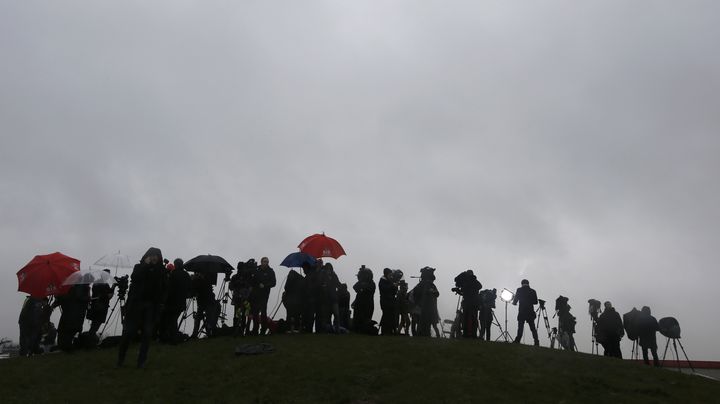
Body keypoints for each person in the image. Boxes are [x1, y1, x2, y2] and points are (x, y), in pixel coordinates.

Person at [117, 247, 168, 368]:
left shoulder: (161, 270)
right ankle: (120, 360)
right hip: (136, 305)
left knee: (147, 334)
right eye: (152, 255)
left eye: (157, 255)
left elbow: (164, 288)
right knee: (128, 332)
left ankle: (141, 362)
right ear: (148, 256)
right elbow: (135, 278)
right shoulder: (139, 267)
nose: (155, 257)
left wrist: (161, 302)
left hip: (151, 306)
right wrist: (145, 265)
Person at [160, 259, 192, 343]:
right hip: (181, 302)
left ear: (176, 265)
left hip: (172, 302)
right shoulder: (186, 274)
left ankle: (172, 339)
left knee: (171, 320)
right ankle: (173, 337)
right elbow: (190, 287)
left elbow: (169, 289)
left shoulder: (173, 274)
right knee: (173, 320)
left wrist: (164, 301)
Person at [54, 282, 90, 351]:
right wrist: (88, 297)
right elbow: (80, 298)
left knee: (67, 331)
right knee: (69, 330)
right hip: (75, 314)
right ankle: (67, 347)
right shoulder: (81, 288)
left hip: (70, 314)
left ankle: (65, 346)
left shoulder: (74, 288)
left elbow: (65, 298)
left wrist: (58, 299)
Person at [249, 257, 276, 335]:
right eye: (264, 261)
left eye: (267, 262)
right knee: (255, 313)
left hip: (264, 295)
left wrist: (265, 285)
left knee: (263, 312)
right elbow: (252, 281)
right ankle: (255, 330)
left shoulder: (271, 271)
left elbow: (273, 283)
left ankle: (263, 330)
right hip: (255, 295)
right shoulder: (256, 270)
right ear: (261, 262)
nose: (266, 263)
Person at [411, 267, 440, 337]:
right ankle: (421, 334)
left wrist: (432, 292)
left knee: (427, 322)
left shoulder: (429, 285)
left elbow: (437, 294)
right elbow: (416, 294)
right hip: (423, 308)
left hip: (428, 308)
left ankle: (424, 334)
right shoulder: (423, 285)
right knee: (423, 322)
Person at [87, 269, 114, 336]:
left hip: (99, 307)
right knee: (95, 325)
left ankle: (91, 339)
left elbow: (108, 295)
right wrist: (111, 291)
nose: (108, 276)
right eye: (107, 274)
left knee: (95, 325)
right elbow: (106, 296)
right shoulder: (99, 283)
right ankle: (90, 340)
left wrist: (113, 287)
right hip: (99, 307)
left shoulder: (101, 283)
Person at [454, 270, 481, 338]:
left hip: (468, 303)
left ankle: (467, 334)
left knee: (467, 318)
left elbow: (464, 292)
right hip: (474, 303)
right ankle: (472, 334)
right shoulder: (475, 282)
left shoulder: (467, 282)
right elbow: (479, 287)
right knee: (473, 318)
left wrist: (457, 290)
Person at [512, 279, 539, 346]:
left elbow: (515, 300)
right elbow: (536, 302)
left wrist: (514, 302)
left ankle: (517, 340)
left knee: (520, 327)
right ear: (528, 283)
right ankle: (536, 342)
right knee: (532, 328)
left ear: (522, 283)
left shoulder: (519, 290)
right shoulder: (533, 291)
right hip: (530, 312)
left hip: (522, 312)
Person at [230, 261, 254, 336]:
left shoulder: (245, 277)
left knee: (241, 314)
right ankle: (237, 330)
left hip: (243, 298)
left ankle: (239, 331)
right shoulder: (235, 277)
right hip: (238, 297)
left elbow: (249, 287)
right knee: (239, 314)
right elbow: (231, 287)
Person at [352, 265, 376, 334]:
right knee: (357, 318)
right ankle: (357, 330)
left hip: (367, 305)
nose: (359, 277)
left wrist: (362, 282)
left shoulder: (371, 283)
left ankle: (364, 330)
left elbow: (365, 289)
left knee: (366, 319)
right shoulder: (363, 282)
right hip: (359, 304)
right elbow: (355, 287)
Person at [318, 263, 341, 333]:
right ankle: (326, 330)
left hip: (333, 299)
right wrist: (323, 286)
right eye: (327, 268)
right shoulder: (322, 275)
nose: (328, 270)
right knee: (326, 316)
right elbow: (319, 284)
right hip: (325, 299)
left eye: (329, 268)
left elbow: (338, 284)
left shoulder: (334, 275)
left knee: (336, 315)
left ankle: (337, 330)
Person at [379, 268, 399, 335]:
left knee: (391, 316)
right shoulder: (382, 281)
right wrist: (392, 285)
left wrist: (395, 286)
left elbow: (394, 292)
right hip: (385, 301)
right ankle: (385, 331)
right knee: (386, 316)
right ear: (386, 274)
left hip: (391, 301)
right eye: (390, 274)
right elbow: (385, 289)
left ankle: (390, 331)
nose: (391, 276)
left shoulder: (389, 281)